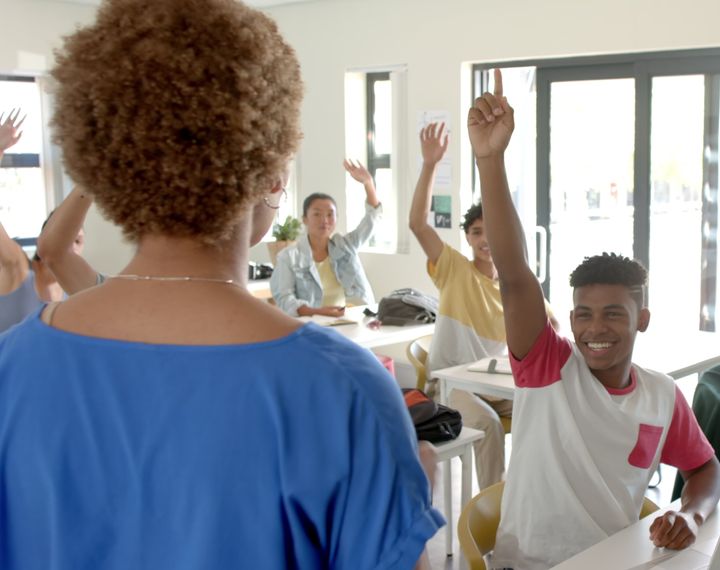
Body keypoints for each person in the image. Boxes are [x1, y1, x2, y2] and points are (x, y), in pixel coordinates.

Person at [0, 1, 442, 569]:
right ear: (273, 172)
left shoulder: (11, 370)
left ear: (108, 160)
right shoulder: (343, 392)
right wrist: (403, 516)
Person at [469, 70, 720, 570]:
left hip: (623, 561)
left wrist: (691, 516)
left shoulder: (661, 395)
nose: (595, 329)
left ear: (642, 319)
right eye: (583, 315)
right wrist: (489, 160)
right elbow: (516, 274)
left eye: (613, 314)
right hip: (534, 564)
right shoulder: (548, 367)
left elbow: (706, 468)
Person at [408, 121, 515, 491]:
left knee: (550, 413)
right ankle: (491, 517)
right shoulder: (454, 268)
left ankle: (532, 504)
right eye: (476, 232)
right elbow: (418, 224)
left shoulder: (515, 284)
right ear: (467, 238)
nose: (485, 240)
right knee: (485, 425)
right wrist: (429, 164)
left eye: (492, 231)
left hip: (500, 387)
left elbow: (551, 330)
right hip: (454, 385)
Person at [270, 160, 382, 317]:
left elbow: (372, 219)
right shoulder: (288, 257)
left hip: (353, 321)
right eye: (317, 214)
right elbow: (284, 297)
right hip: (313, 325)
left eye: (330, 214)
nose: (324, 220)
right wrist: (317, 312)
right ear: (305, 219)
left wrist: (368, 183)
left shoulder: (346, 246)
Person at [0, 109, 78, 332]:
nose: (71, 247)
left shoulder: (70, 296)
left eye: (78, 242)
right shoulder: (18, 268)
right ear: (45, 238)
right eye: (66, 238)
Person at [36, 187, 107, 295]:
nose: (72, 247)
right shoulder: (23, 272)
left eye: (77, 241)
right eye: (68, 242)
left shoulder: (83, 287)